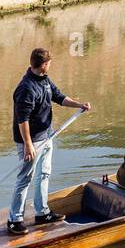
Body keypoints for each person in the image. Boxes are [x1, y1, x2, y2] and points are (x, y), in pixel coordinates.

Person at [9, 48, 91, 236]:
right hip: (30, 142)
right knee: (25, 179)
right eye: (50, 63)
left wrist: (79, 105)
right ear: (44, 64)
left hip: (47, 137)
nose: (50, 65)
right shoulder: (26, 88)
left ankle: (42, 212)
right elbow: (23, 119)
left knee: (44, 174)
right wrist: (28, 144)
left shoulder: (44, 80)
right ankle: (14, 219)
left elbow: (59, 97)